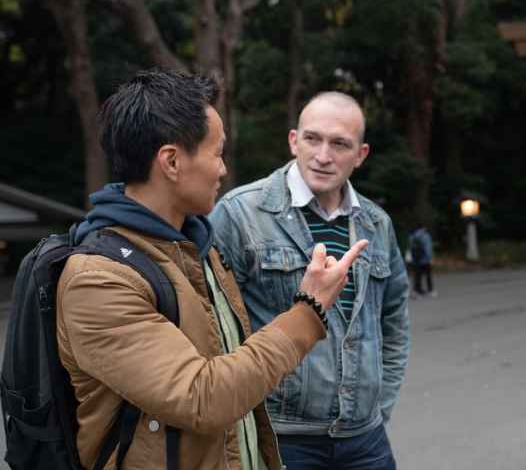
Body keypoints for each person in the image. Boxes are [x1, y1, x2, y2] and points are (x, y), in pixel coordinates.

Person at [57, 70, 367, 470]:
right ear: (171, 161)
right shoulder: (99, 279)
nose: (222, 170)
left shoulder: (194, 246)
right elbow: (204, 398)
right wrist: (309, 310)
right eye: (217, 153)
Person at [210, 91, 410, 470]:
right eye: (312, 139)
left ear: (361, 154)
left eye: (339, 144)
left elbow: (394, 322)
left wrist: (378, 406)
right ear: (293, 140)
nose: (323, 155)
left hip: (365, 439)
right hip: (281, 436)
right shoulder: (239, 215)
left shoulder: (376, 223)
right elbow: (211, 324)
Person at [408, 224, 436, 298]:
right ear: (423, 228)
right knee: (428, 276)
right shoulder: (425, 236)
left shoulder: (412, 236)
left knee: (417, 276)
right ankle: (431, 290)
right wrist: (430, 258)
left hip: (416, 259)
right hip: (425, 260)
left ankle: (417, 291)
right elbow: (428, 248)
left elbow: (410, 248)